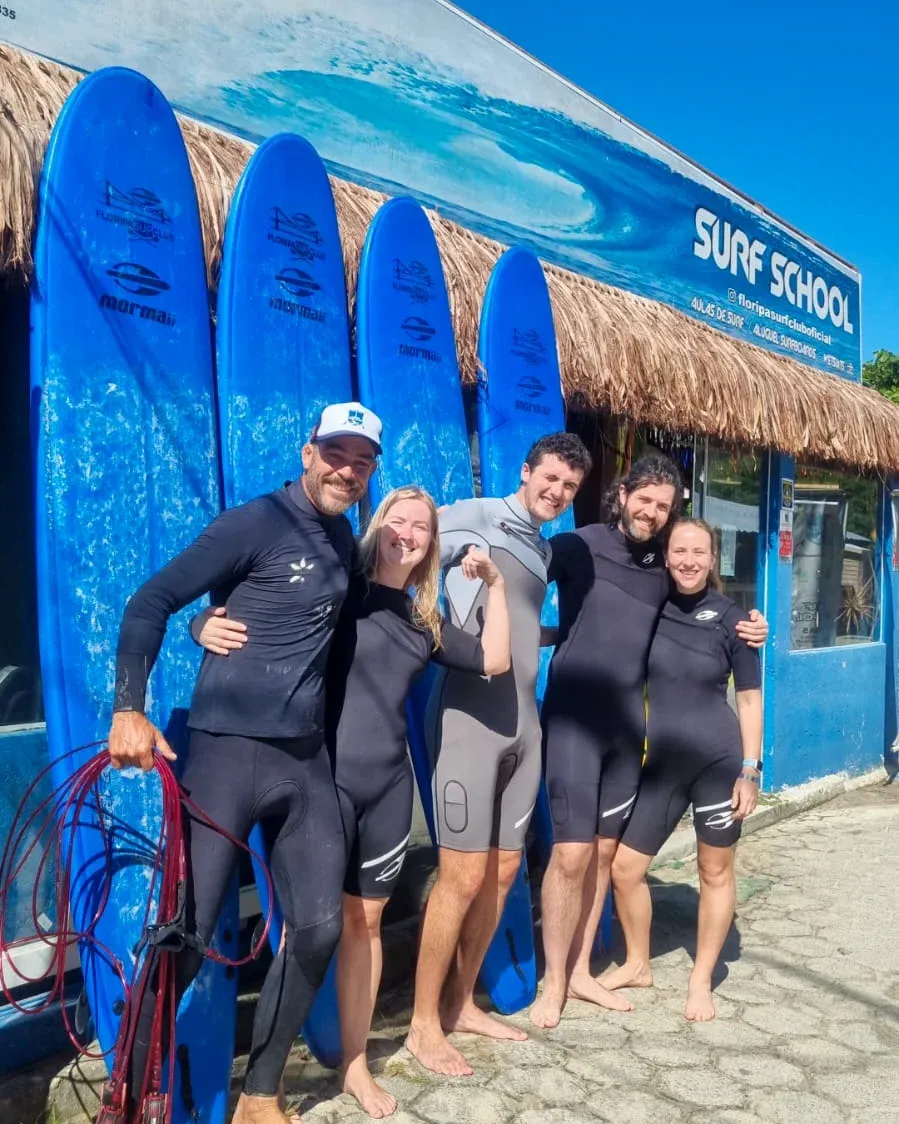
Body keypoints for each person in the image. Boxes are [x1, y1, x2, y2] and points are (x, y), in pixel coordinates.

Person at [195, 486, 511, 1119]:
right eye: (398, 519)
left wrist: (497, 587)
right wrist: (205, 619)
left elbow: (495, 660)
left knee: (365, 925)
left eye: (422, 527)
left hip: (389, 786)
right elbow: (265, 598)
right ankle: (266, 1083)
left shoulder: (425, 620)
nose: (409, 532)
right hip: (323, 782)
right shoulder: (342, 590)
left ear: (431, 544)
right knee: (307, 932)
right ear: (377, 524)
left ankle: (355, 1064)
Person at [107, 402, 382, 1124]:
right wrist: (129, 707)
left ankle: (260, 1093)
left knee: (319, 929)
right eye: (335, 454)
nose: (346, 470)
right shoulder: (254, 522)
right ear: (307, 452)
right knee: (187, 938)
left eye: (361, 461)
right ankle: (126, 1095)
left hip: (303, 762)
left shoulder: (342, 534)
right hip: (226, 755)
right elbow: (151, 601)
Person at [530, 452, 768, 1030]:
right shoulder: (579, 544)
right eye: (646, 500)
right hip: (574, 725)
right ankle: (554, 983)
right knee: (570, 855)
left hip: (631, 740)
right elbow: (522, 575)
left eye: (664, 507)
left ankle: (584, 971)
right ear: (624, 493)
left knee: (607, 856)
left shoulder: (668, 578)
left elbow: (721, 644)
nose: (653, 512)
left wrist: (754, 625)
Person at [406, 432, 592, 1077]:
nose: (557, 493)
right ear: (525, 471)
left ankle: (459, 1005)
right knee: (458, 876)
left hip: (524, 728)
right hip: (467, 718)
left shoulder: (542, 547)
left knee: (506, 874)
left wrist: (570, 636)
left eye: (569, 487)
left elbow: (518, 619)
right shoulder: (473, 514)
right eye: (549, 479)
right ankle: (421, 1026)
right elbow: (394, 560)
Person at [606, 518, 762, 1021]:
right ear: (666, 556)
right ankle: (637, 961)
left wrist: (750, 768)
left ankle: (701, 982)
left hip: (718, 763)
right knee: (625, 869)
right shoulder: (651, 607)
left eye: (699, 551)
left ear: (712, 559)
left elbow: (750, 697)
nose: (689, 560)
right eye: (680, 551)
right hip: (662, 766)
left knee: (713, 872)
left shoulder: (735, 620)